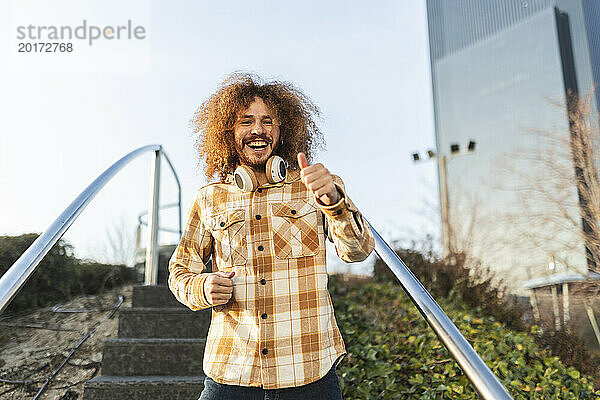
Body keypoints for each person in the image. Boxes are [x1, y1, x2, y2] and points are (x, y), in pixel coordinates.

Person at [168, 73, 374, 400]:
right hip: (230, 372)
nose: (258, 130)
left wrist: (335, 203)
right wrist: (202, 286)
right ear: (228, 132)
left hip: (309, 373)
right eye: (245, 121)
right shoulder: (209, 198)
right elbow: (179, 272)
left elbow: (358, 250)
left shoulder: (318, 186)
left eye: (268, 121)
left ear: (282, 132)